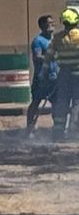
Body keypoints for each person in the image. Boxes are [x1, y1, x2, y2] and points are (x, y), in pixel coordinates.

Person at [43, 8, 79, 140]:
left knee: (62, 101)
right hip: (77, 74)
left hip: (63, 74)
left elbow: (48, 57)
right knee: (77, 103)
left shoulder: (57, 38)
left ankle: (58, 131)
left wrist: (43, 73)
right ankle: (74, 132)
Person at [29, 14, 58, 132]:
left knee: (57, 103)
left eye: (52, 23)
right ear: (42, 26)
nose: (51, 25)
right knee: (36, 102)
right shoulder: (38, 41)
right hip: (41, 78)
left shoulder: (55, 40)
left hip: (54, 78)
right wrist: (50, 56)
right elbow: (37, 57)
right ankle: (30, 128)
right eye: (48, 23)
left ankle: (57, 128)